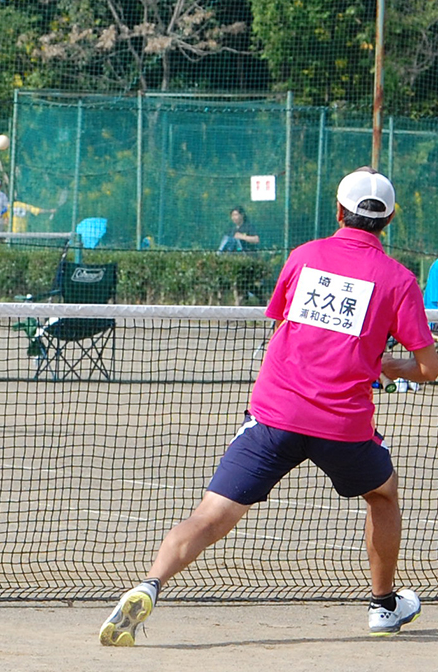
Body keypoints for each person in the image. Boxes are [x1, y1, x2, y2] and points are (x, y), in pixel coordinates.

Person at [100, 167, 438, 646]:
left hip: (273, 416)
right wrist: (393, 366)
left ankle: (148, 584)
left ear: (339, 212)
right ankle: (383, 606)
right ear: (388, 221)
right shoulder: (399, 280)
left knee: (210, 515)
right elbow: (430, 368)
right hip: (342, 426)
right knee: (383, 495)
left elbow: (283, 320)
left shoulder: (303, 256)